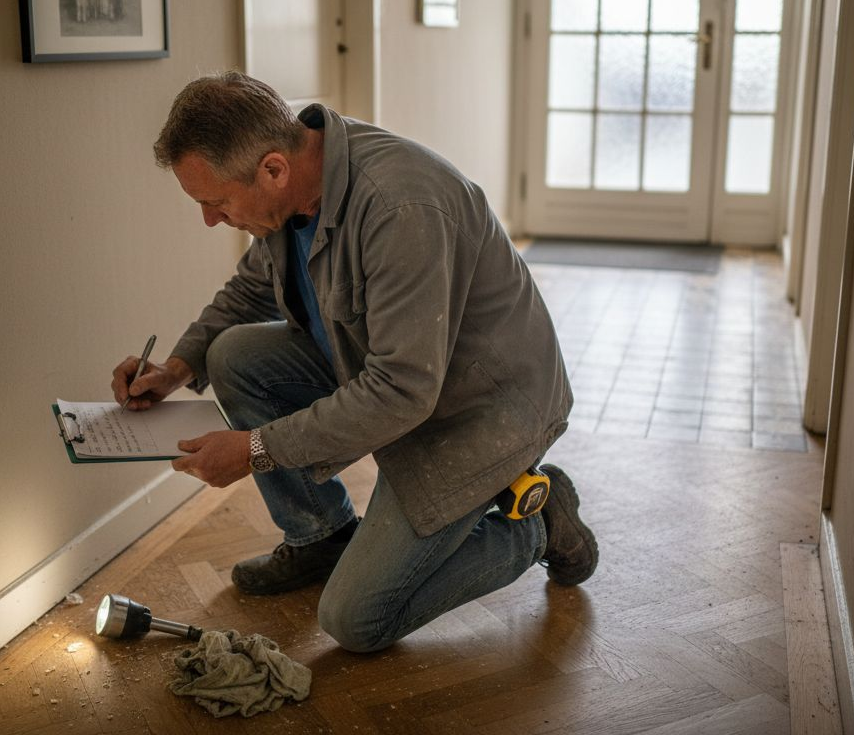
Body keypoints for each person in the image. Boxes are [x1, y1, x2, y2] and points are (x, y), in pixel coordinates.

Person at [111, 72, 598, 653]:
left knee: (356, 620)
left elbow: (401, 393)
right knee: (232, 355)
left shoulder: (400, 206)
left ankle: (538, 527)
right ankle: (323, 536)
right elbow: (249, 291)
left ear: (272, 169)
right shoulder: (293, 192)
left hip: (479, 412)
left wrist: (255, 449)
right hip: (393, 374)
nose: (211, 219)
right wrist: (177, 367)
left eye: (215, 202)